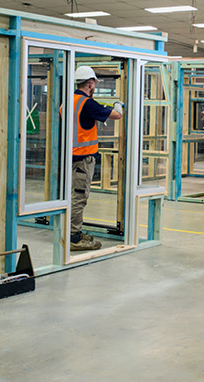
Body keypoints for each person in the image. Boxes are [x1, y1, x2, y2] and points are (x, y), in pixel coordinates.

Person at [70, 66, 124, 251]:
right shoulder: (88, 103)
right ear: (90, 84)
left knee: (71, 197)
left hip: (69, 157)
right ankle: (74, 237)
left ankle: (72, 231)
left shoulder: (68, 101)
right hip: (83, 159)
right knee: (79, 198)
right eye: (94, 84)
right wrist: (118, 105)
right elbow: (116, 115)